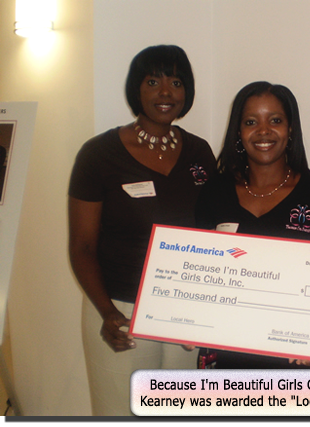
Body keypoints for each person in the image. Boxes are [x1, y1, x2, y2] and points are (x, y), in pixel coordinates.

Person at [68, 45, 216, 415]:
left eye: (176, 82)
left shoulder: (200, 152)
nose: (166, 93)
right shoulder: (98, 155)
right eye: (153, 82)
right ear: (136, 88)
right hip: (122, 309)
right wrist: (106, 312)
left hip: (183, 310)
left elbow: (213, 233)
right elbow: (82, 247)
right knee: (121, 411)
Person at [195, 81, 310, 368]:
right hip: (229, 358)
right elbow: (198, 272)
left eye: (275, 120)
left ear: (290, 129)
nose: (263, 131)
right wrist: (186, 321)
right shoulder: (214, 193)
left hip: (297, 362)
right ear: (238, 132)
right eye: (251, 122)